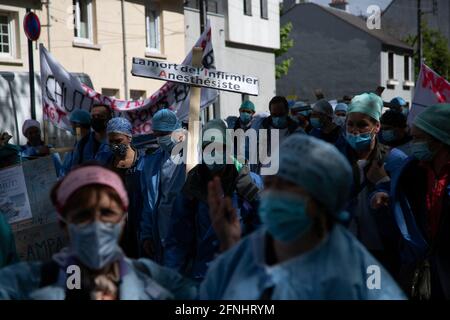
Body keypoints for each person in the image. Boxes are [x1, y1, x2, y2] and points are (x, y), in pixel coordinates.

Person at [200, 134, 406, 299]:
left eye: (287, 186)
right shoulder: (241, 256)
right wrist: (229, 246)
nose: (272, 195)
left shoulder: (363, 275)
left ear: (321, 197)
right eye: (269, 184)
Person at [0, 166, 197, 300]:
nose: (96, 225)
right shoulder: (30, 280)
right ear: (64, 224)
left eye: (107, 213)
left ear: (122, 220)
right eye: (83, 215)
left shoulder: (150, 277)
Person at [164, 119, 263, 281]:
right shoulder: (192, 186)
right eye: (207, 148)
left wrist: (253, 196)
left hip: (242, 275)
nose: (213, 153)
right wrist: (171, 281)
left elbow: (265, 230)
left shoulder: (250, 184)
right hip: (203, 276)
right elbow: (177, 241)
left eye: (218, 147)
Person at [371, 104, 450, 299]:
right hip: (417, 263)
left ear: (438, 140)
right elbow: (393, 188)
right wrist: (381, 193)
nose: (413, 144)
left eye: (418, 138)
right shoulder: (412, 168)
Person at [343, 93, 398, 274]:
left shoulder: (394, 160)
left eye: (362, 125)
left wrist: (383, 183)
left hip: (381, 249)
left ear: (377, 127)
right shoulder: (334, 159)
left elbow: (404, 209)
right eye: (350, 124)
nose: (355, 131)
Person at [139, 109, 186, 263]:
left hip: (185, 232)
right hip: (161, 232)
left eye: (163, 134)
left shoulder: (192, 156)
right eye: (156, 134)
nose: (159, 139)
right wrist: (146, 234)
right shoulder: (154, 162)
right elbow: (149, 203)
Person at [103, 117, 146, 259]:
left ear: (129, 138)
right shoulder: (106, 163)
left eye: (118, 141)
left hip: (139, 224)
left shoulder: (143, 162)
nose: (115, 145)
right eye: (111, 142)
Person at [60, 109, 93, 176]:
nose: (71, 126)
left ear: (78, 124)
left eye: (72, 123)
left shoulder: (90, 144)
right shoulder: (78, 142)